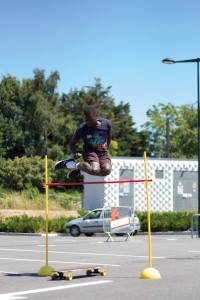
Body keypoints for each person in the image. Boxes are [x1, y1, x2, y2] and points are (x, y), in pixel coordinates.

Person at [54, 106, 112, 178]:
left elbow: (109, 137)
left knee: (107, 171)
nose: (88, 122)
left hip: (102, 152)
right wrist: (75, 153)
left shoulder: (107, 124)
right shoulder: (82, 128)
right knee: (95, 170)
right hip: (89, 151)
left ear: (96, 116)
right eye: (86, 119)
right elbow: (71, 144)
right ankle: (71, 164)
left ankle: (82, 170)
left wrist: (106, 149)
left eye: (90, 119)